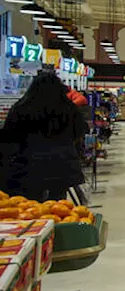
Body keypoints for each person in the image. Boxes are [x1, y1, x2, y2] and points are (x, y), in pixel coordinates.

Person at [0, 71, 87, 200]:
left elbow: (9, 136)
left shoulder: (21, 108)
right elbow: (80, 131)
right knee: (58, 204)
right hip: (62, 163)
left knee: (31, 203)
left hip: (28, 164)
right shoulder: (68, 108)